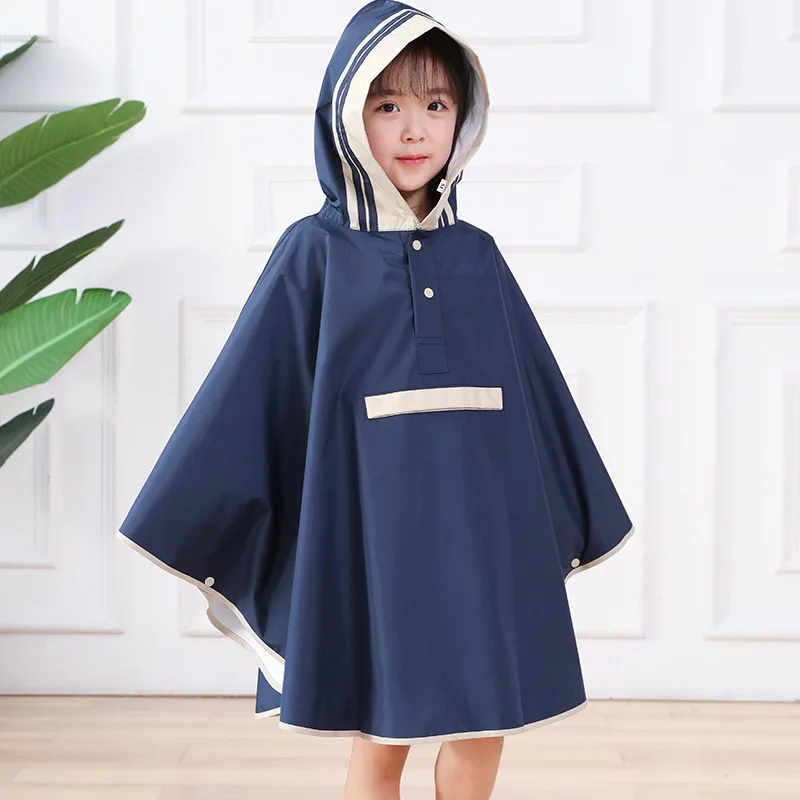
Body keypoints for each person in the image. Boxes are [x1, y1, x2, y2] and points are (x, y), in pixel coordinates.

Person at [117, 2, 635, 798]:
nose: (414, 128)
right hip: (371, 536)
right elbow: (256, 388)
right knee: (380, 728)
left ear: (464, 118)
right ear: (347, 119)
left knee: (486, 719)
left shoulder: (478, 257)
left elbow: (536, 404)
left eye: (436, 104)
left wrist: (561, 512)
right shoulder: (315, 251)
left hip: (479, 536)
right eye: (387, 105)